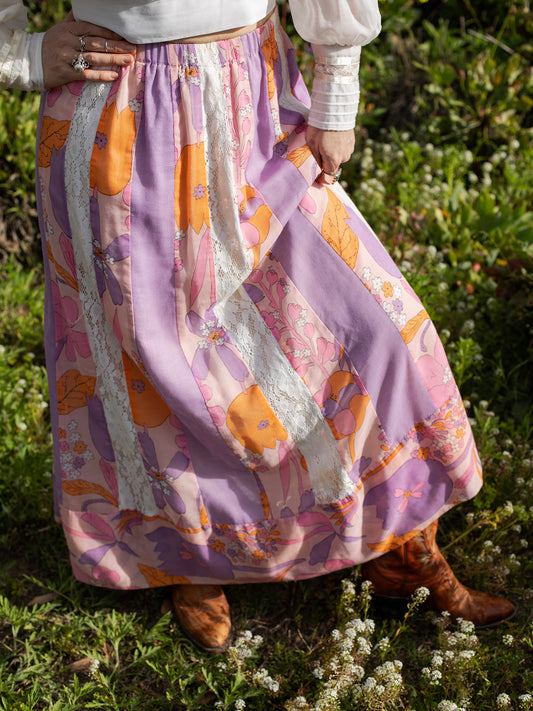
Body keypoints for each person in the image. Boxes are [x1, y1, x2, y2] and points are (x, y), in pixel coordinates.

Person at [1, 0, 515, 654]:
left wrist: (334, 97)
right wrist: (19, 51)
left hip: (257, 99)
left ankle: (402, 548)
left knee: (378, 329)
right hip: (124, 114)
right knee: (161, 369)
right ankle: (189, 558)